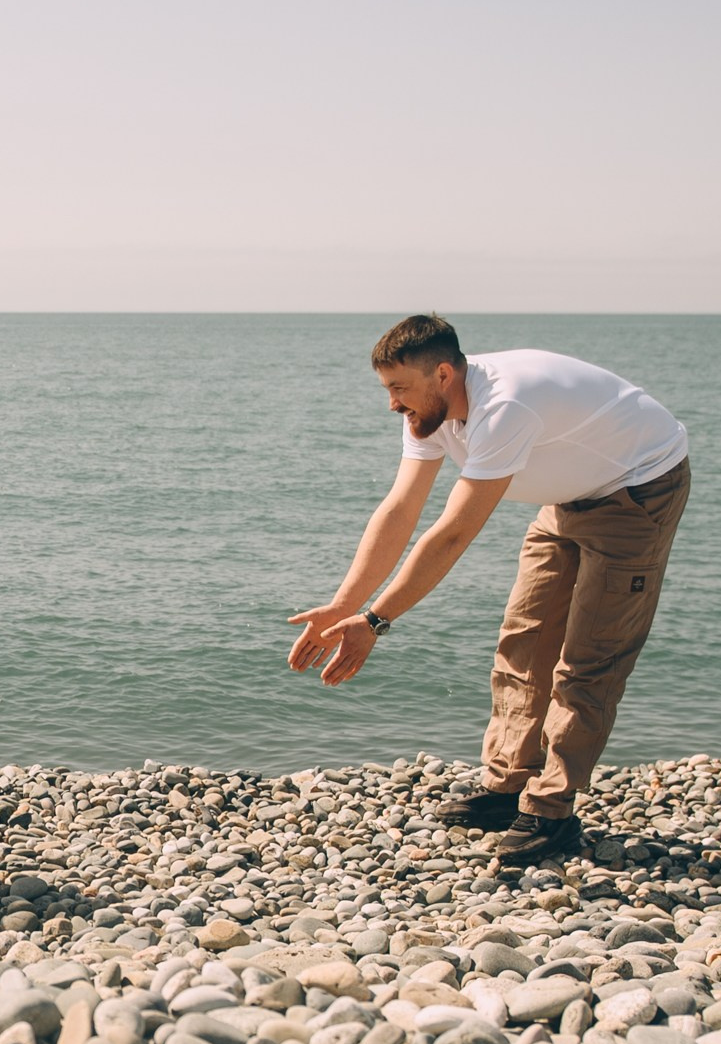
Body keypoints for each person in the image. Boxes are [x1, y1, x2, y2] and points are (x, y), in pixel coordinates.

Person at [289, 314, 691, 866]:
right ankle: (508, 790)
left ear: (444, 375)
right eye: (387, 390)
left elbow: (452, 533)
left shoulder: (504, 409)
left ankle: (552, 813)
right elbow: (401, 510)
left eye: (399, 389)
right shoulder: (430, 415)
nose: (392, 405)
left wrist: (376, 621)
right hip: (571, 494)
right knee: (523, 641)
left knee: (587, 662)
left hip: (638, 490)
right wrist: (344, 603)